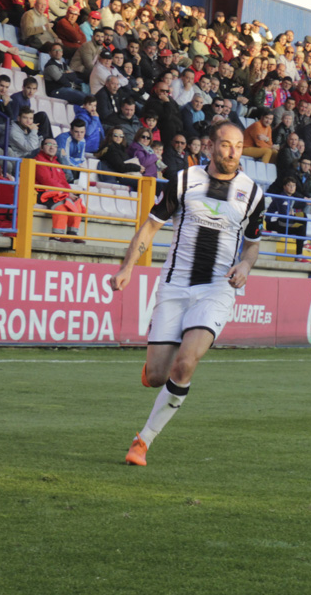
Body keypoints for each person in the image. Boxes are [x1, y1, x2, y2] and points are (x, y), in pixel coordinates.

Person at [113, 121, 265, 466]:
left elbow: (253, 246)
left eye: (239, 147)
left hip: (217, 288)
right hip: (175, 285)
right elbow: (151, 225)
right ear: (210, 146)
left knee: (185, 365)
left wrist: (244, 266)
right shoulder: (184, 181)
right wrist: (127, 268)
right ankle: (155, 369)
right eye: (226, 145)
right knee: (157, 376)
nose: (232, 153)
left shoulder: (252, 194)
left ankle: (143, 442)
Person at [34, 137, 88, 243]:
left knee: (77, 201)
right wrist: (66, 194)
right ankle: (56, 235)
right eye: (48, 144)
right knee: (62, 204)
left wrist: (69, 193)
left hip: (56, 192)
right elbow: (47, 181)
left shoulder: (57, 164)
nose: (52, 147)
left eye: (54, 145)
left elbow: (64, 182)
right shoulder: (38, 161)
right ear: (41, 147)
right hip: (41, 192)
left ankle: (72, 234)